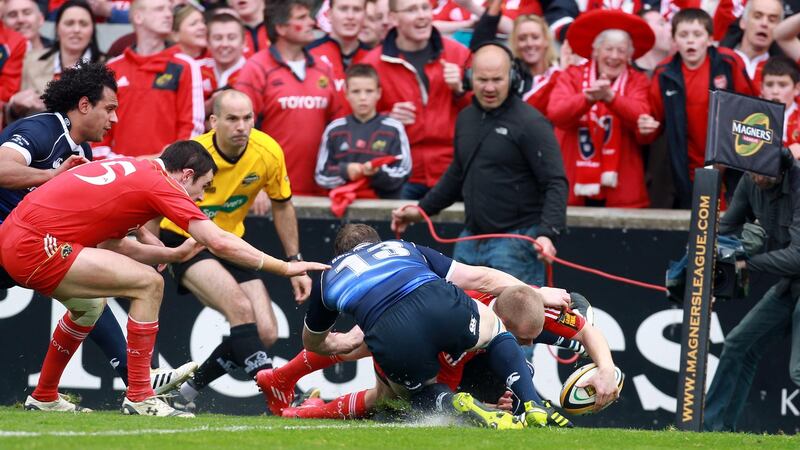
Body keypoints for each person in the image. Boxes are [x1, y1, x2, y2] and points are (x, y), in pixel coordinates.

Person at [0, 139, 329, 416]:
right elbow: (218, 241)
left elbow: (113, 245)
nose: (200, 197)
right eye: (202, 187)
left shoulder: (137, 169)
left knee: (88, 306)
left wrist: (172, 255)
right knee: (149, 284)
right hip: (36, 245)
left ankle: (43, 396)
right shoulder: (159, 182)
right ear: (186, 175)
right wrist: (285, 267)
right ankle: (140, 396)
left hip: (16, 239)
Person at [0, 63, 202, 410]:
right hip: (15, 241)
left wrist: (151, 243)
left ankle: (51, 395)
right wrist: (51, 175)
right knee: (102, 294)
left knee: (89, 302)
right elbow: (1, 169)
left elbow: (105, 209)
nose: (115, 119)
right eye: (109, 108)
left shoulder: (85, 153)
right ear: (83, 106)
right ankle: (139, 382)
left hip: (29, 245)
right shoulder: (41, 129)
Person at [299, 223, 572, 428]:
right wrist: (535, 292)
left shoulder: (328, 275)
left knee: (415, 393)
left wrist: (341, 343)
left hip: (391, 331)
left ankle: (453, 401)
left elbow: (312, 343)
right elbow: (479, 278)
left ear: (337, 254)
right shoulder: (404, 247)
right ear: (376, 242)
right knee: (497, 329)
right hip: (440, 304)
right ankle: (532, 404)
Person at [159, 90, 309, 412]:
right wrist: (153, 249)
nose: (242, 126)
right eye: (232, 119)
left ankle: (182, 396)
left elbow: (283, 206)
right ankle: (283, 395)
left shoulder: (267, 151)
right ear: (213, 121)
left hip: (230, 243)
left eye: (248, 118)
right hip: (185, 241)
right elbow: (150, 198)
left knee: (266, 332)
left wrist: (294, 260)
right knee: (240, 309)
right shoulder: (192, 155)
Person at [391, 42, 567, 288]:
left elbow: (555, 182)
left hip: (516, 243)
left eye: (497, 79)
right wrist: (420, 211)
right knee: (465, 322)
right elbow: (458, 173)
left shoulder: (531, 122)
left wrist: (548, 233)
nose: (490, 87)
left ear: (513, 77)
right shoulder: (466, 118)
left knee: (515, 324)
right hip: (470, 240)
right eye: (483, 79)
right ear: (470, 77)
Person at [704, 149, 800, 431]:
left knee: (798, 370)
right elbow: (726, 228)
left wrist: (747, 263)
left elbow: (797, 256)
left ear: (782, 171)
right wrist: (704, 265)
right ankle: (713, 432)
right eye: (752, 169)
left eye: (763, 172)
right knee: (738, 346)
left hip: (793, 271)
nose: (756, 176)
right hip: (789, 283)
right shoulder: (749, 180)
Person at [637, 8, 754, 209]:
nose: (690, 40)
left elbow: (752, 111)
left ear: (710, 39)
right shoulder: (664, 73)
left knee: (726, 227)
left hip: (728, 167)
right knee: (696, 227)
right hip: (685, 169)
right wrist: (645, 126)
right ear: (674, 40)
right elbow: (653, 125)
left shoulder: (728, 62)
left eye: (697, 34)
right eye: (683, 35)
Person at [361, 0, 471, 200]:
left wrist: (460, 91)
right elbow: (357, 124)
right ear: (393, 18)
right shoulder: (373, 63)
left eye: (425, 7)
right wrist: (388, 119)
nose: (422, 15)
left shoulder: (459, 54)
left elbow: (486, 113)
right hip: (400, 174)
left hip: (454, 172)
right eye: (412, 9)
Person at [548, 9, 653, 208]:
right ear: (595, 51)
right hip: (573, 186)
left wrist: (611, 98)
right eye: (608, 49)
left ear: (629, 55)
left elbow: (642, 116)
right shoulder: (572, 75)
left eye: (621, 51)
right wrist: (587, 98)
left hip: (621, 189)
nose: (614, 56)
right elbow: (557, 114)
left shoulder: (637, 80)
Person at [234, 0, 338, 196]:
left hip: (322, 193)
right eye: (301, 18)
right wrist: (253, 183)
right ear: (280, 28)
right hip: (270, 192)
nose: (312, 23)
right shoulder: (256, 68)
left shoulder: (323, 68)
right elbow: (238, 133)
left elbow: (339, 127)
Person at [94, 0, 204, 159]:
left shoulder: (186, 66)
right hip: (118, 173)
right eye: (160, 9)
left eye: (169, 9)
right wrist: (127, 165)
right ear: (138, 17)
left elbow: (193, 130)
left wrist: (166, 162)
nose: (168, 14)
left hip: (168, 173)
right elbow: (98, 131)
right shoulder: (112, 68)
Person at [315, 63, 411, 198]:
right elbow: (321, 176)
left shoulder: (394, 128)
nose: (363, 98)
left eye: (369, 91)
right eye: (356, 91)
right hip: (343, 208)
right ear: (346, 94)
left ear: (379, 93)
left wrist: (376, 173)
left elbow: (403, 172)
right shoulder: (334, 129)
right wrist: (346, 171)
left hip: (383, 208)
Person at [7, 0, 103, 121]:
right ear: (57, 28)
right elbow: (10, 115)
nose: (76, 29)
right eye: (69, 23)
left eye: (83, 24)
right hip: (37, 136)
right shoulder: (29, 61)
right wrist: (14, 106)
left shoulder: (108, 66)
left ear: (92, 30)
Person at [469, 0, 560, 117]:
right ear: (515, 43)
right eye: (522, 38)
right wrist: (495, 6)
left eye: (535, 37)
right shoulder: (510, 74)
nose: (529, 43)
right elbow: (478, 48)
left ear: (546, 40)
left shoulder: (560, 71)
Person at [307, 0, 371, 114]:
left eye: (357, 9)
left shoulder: (375, 58)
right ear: (329, 14)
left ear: (365, 16)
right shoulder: (309, 54)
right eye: (343, 9)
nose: (350, 16)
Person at [720, 0, 783, 89]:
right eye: (757, 16)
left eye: (772, 20)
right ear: (743, 22)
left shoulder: (784, 72)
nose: (764, 24)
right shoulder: (719, 61)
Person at [760, 56, 800, 157]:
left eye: (782, 85)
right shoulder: (751, 116)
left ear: (796, 89)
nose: (775, 91)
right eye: (769, 84)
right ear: (761, 88)